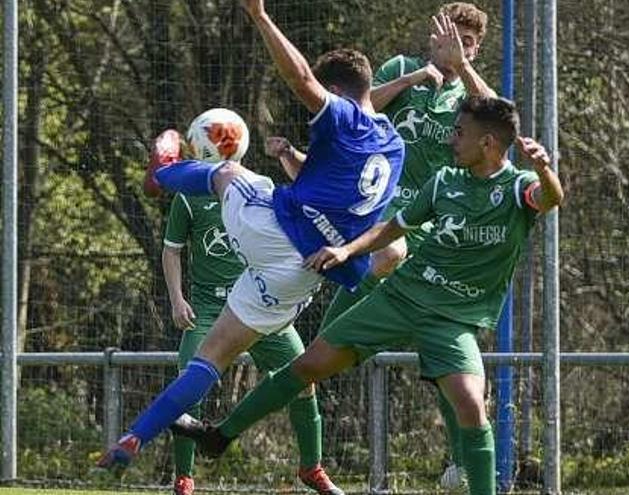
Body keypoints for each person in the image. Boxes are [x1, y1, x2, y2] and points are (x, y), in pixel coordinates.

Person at [173, 96, 564, 495]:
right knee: (308, 366)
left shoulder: (518, 187)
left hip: (451, 319)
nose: (451, 140)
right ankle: (220, 435)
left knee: (470, 402)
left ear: (488, 143)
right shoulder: (445, 181)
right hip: (399, 298)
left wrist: (545, 170)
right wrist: (347, 251)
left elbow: (550, 199)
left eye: (460, 132)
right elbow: (394, 227)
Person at [95, 1, 405, 490]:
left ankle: (166, 173)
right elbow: (340, 197)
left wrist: (260, 16)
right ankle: (135, 436)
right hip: (301, 275)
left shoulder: (345, 118)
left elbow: (302, 78)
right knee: (215, 357)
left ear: (341, 93)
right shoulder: (393, 148)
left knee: (227, 172)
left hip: (273, 231)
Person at [326, 3, 495, 486]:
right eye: (448, 37)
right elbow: (358, 113)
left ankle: (463, 461)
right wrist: (411, 79)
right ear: (431, 35)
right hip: (382, 211)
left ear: (476, 48)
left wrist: (461, 68)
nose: (453, 47)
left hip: (438, 227)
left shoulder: (470, 91)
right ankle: (317, 351)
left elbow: (501, 123)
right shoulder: (402, 69)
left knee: (442, 357)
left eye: (466, 43)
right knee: (388, 253)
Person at [161, 181, 340, 495]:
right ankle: (184, 479)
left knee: (304, 377)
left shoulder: (260, 188)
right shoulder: (189, 197)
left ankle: (312, 468)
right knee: (187, 387)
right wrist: (177, 300)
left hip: (261, 305)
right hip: (209, 312)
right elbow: (171, 250)